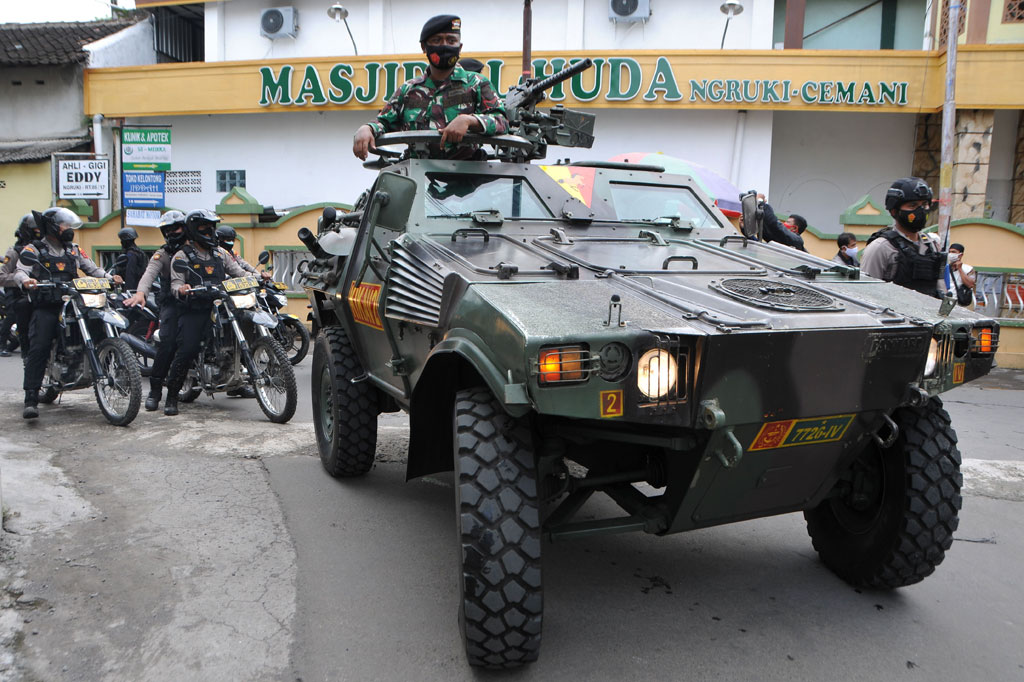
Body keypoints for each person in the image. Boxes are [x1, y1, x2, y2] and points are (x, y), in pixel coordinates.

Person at [13, 207, 122, 419]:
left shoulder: (74, 250)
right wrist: (26, 281)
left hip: (74, 303)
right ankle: (31, 397)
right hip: (47, 306)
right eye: (65, 225)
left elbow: (93, 269)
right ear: (53, 227)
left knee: (98, 324)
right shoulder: (33, 249)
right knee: (40, 346)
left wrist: (110, 277)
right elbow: (20, 271)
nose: (69, 229)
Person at [351, 15, 508, 161]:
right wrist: (367, 128)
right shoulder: (408, 91)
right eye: (437, 40)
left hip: (466, 180)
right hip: (418, 180)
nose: (445, 45)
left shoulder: (477, 84)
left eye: (451, 40)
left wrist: (469, 120)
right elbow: (384, 122)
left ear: (459, 48)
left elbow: (501, 122)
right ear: (424, 47)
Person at [162, 209, 249, 416]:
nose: (209, 231)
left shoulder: (220, 253)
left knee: (241, 334)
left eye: (212, 227)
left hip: (220, 305)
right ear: (194, 229)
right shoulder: (182, 255)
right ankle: (171, 396)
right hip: (195, 308)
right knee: (188, 349)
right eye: (204, 227)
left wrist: (258, 277)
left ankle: (239, 380)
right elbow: (176, 283)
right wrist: (181, 289)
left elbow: (239, 272)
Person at [124, 210, 188, 411]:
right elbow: (149, 274)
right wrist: (141, 293)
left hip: (199, 302)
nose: (172, 233)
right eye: (167, 230)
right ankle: (155, 391)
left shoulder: (200, 249)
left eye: (175, 228)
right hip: (173, 303)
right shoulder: (163, 254)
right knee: (168, 343)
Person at [860, 177, 945, 298]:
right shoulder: (880, 248)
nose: (920, 210)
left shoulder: (932, 245)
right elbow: (865, 295)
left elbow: (940, 290)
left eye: (924, 204)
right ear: (894, 211)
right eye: (912, 205)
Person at [0, 214, 39, 357]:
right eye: (35, 230)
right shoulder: (14, 251)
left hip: (36, 291)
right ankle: (2, 344)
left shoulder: (41, 250)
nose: (38, 233)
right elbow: (2, 276)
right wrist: (22, 280)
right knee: (12, 316)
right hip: (16, 292)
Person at [945, 242, 976, 309]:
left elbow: (970, 284)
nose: (951, 254)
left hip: (959, 302)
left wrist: (960, 269)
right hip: (946, 300)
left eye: (953, 252)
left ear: (960, 255)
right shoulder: (945, 268)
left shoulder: (968, 269)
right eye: (949, 252)